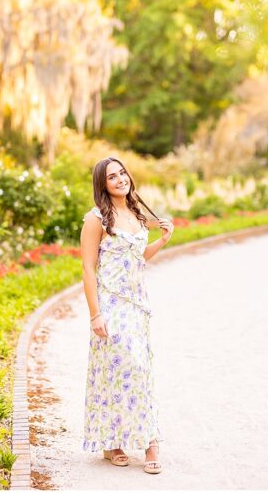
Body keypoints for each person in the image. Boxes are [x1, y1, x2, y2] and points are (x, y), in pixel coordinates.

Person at [80, 157, 174, 474]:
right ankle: (145, 444)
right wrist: (96, 315)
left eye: (122, 173)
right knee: (122, 369)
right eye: (112, 177)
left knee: (137, 368)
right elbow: (87, 269)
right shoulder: (96, 220)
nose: (120, 179)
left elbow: (137, 259)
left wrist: (161, 240)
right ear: (103, 185)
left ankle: (123, 442)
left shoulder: (135, 214)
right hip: (110, 304)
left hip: (137, 306)